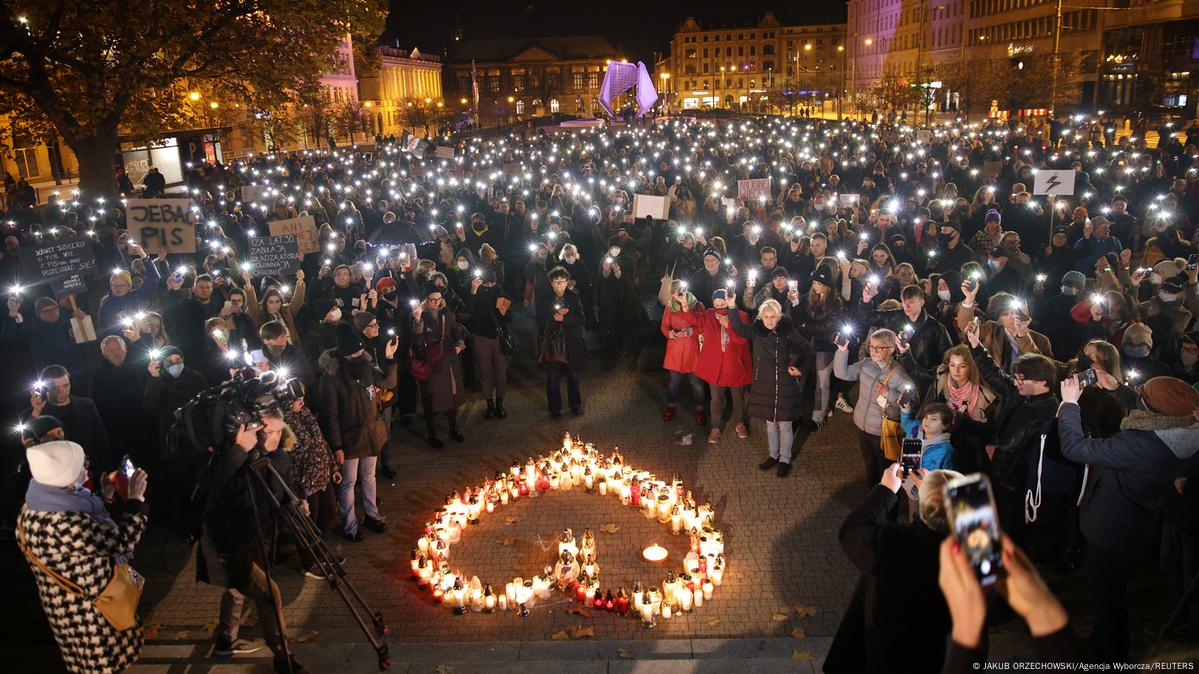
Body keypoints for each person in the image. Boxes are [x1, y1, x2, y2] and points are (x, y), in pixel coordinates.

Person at [1058, 375, 1199, 662]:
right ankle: (1105, 641)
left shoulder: (1142, 444)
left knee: (1107, 596)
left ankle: (1108, 655)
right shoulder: (1182, 430)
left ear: (1148, 407)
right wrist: (1116, 388)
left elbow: (1074, 448)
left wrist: (1069, 405)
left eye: (1142, 395)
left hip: (1110, 528)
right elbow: (1142, 413)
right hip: (1135, 523)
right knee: (1112, 590)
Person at [17, 440, 150, 674]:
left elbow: (87, 540)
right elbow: (120, 543)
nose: (86, 469)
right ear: (64, 475)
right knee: (100, 667)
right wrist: (136, 501)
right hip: (90, 614)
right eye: (81, 465)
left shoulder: (34, 508)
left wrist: (105, 497)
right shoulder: (64, 522)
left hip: (64, 607)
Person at [195, 412, 311, 674]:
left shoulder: (276, 459)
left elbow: (280, 493)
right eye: (269, 432)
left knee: (238, 588)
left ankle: (227, 637)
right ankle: (283, 658)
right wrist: (238, 450)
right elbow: (212, 484)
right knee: (269, 593)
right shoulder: (236, 462)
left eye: (280, 432)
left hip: (257, 539)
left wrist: (295, 502)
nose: (276, 438)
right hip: (234, 543)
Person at [825, 465, 961, 673]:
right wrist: (932, 494)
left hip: (888, 657)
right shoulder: (974, 557)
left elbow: (852, 531)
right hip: (937, 657)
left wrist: (886, 489)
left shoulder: (902, 544)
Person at [963, 318, 1064, 548]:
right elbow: (994, 374)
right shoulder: (1020, 392)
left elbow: (1031, 454)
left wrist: (998, 453)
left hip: (1015, 483)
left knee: (1011, 528)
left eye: (1021, 378)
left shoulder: (1050, 414)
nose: (1015, 381)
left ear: (1042, 382)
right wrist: (976, 346)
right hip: (997, 471)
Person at [318, 322, 397, 541]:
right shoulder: (331, 379)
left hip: (371, 433)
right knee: (349, 482)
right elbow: (330, 416)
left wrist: (390, 358)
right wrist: (336, 446)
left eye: (362, 351)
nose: (361, 355)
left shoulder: (367, 368)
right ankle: (350, 524)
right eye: (356, 353)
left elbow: (388, 382)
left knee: (369, 477)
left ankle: (372, 515)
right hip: (350, 439)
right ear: (345, 355)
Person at [726, 299, 814, 478]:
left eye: (773, 316)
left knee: (785, 425)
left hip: (785, 384)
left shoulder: (787, 332)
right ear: (760, 317)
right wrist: (732, 305)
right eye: (765, 317)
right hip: (764, 384)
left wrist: (800, 369)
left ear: (779, 316)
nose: (769, 320)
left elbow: (808, 349)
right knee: (770, 424)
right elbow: (736, 327)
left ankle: (785, 460)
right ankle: (773, 456)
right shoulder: (757, 332)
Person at [901, 343, 998, 475]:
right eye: (952, 365)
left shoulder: (986, 396)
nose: (955, 371)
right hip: (935, 444)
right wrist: (905, 353)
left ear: (972, 367)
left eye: (962, 366)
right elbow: (919, 374)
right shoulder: (940, 378)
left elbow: (991, 433)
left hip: (967, 456)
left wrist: (965, 423)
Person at [834, 328, 913, 490]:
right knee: (870, 469)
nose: (874, 351)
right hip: (863, 427)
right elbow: (843, 373)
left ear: (891, 350)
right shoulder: (866, 364)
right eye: (872, 346)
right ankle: (873, 502)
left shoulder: (898, 372)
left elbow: (911, 400)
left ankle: (889, 509)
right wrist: (842, 351)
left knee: (887, 473)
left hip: (882, 432)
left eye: (880, 347)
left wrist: (888, 394)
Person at [21, 365, 113, 472]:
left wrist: (109, 471)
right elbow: (27, 445)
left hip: (90, 472)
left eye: (66, 385)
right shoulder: (35, 412)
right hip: (56, 475)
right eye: (56, 388)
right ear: (45, 389)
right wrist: (36, 411)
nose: (63, 392)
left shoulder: (86, 405)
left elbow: (101, 441)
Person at [411, 283, 467, 447]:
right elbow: (418, 341)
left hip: (448, 360)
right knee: (430, 398)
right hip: (430, 361)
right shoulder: (419, 315)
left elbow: (457, 334)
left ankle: (453, 427)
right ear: (425, 301)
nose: (435, 302)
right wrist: (417, 321)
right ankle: (432, 434)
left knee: (451, 394)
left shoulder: (446, 314)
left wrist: (459, 346)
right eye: (432, 300)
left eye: (438, 299)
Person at [695, 288, 752, 444]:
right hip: (716, 366)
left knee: (738, 397)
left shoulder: (742, 316)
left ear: (729, 301)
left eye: (723, 302)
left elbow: (742, 341)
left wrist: (728, 325)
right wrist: (686, 305)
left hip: (736, 365)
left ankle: (739, 423)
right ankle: (715, 427)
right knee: (716, 398)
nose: (720, 305)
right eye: (716, 303)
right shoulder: (708, 315)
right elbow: (694, 321)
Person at [791, 266, 845, 425]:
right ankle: (795, 414)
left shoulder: (836, 301)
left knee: (822, 384)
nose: (816, 286)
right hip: (807, 344)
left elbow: (830, 325)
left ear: (828, 285)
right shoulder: (808, 297)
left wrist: (805, 325)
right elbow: (798, 318)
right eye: (815, 282)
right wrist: (795, 303)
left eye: (820, 283)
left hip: (825, 346)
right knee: (800, 379)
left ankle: (817, 419)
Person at [958, 283, 1052, 370]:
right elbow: (967, 327)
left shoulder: (1041, 340)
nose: (1012, 317)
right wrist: (969, 299)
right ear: (999, 319)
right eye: (1005, 314)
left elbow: (1043, 369)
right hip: (995, 384)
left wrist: (1023, 335)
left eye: (1014, 312)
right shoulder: (991, 330)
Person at [538, 266, 587, 418]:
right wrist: (553, 318)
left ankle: (575, 405)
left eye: (562, 281)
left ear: (567, 282)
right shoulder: (544, 298)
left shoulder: (573, 297)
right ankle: (555, 409)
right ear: (551, 283)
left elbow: (581, 319)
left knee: (573, 376)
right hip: (553, 344)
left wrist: (565, 319)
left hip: (571, 343)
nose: (559, 285)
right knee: (552, 378)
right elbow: (540, 321)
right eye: (556, 281)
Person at [465, 269, 513, 420]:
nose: (489, 286)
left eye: (492, 283)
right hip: (481, 337)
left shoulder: (502, 294)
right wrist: (473, 291)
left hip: (498, 337)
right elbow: (469, 311)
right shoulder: (476, 292)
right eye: (486, 284)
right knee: (485, 373)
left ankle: (500, 403)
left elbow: (509, 318)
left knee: (500, 372)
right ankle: (489, 404)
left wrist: (505, 313)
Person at [661, 280, 707, 425]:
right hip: (675, 349)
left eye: (680, 289)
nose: (678, 293)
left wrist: (690, 329)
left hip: (692, 348)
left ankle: (700, 409)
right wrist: (670, 334)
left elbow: (702, 325)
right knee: (673, 382)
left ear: (686, 289)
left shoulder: (696, 305)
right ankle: (671, 407)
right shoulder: (669, 307)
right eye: (674, 291)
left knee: (696, 382)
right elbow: (664, 326)